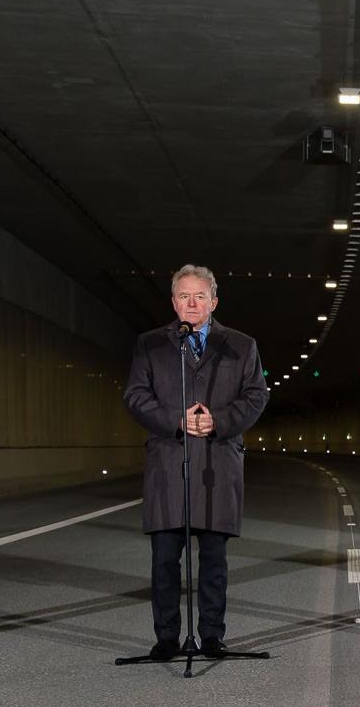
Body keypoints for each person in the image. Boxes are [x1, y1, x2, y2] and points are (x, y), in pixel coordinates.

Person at [123, 264, 269, 660]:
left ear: (214, 301)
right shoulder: (150, 344)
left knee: (214, 561)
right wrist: (176, 420)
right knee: (165, 560)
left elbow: (256, 395)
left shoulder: (242, 345)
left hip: (218, 464)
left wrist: (219, 421)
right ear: (173, 302)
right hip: (169, 465)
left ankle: (212, 636)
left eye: (199, 296)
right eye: (184, 296)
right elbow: (136, 395)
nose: (192, 303)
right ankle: (167, 638)